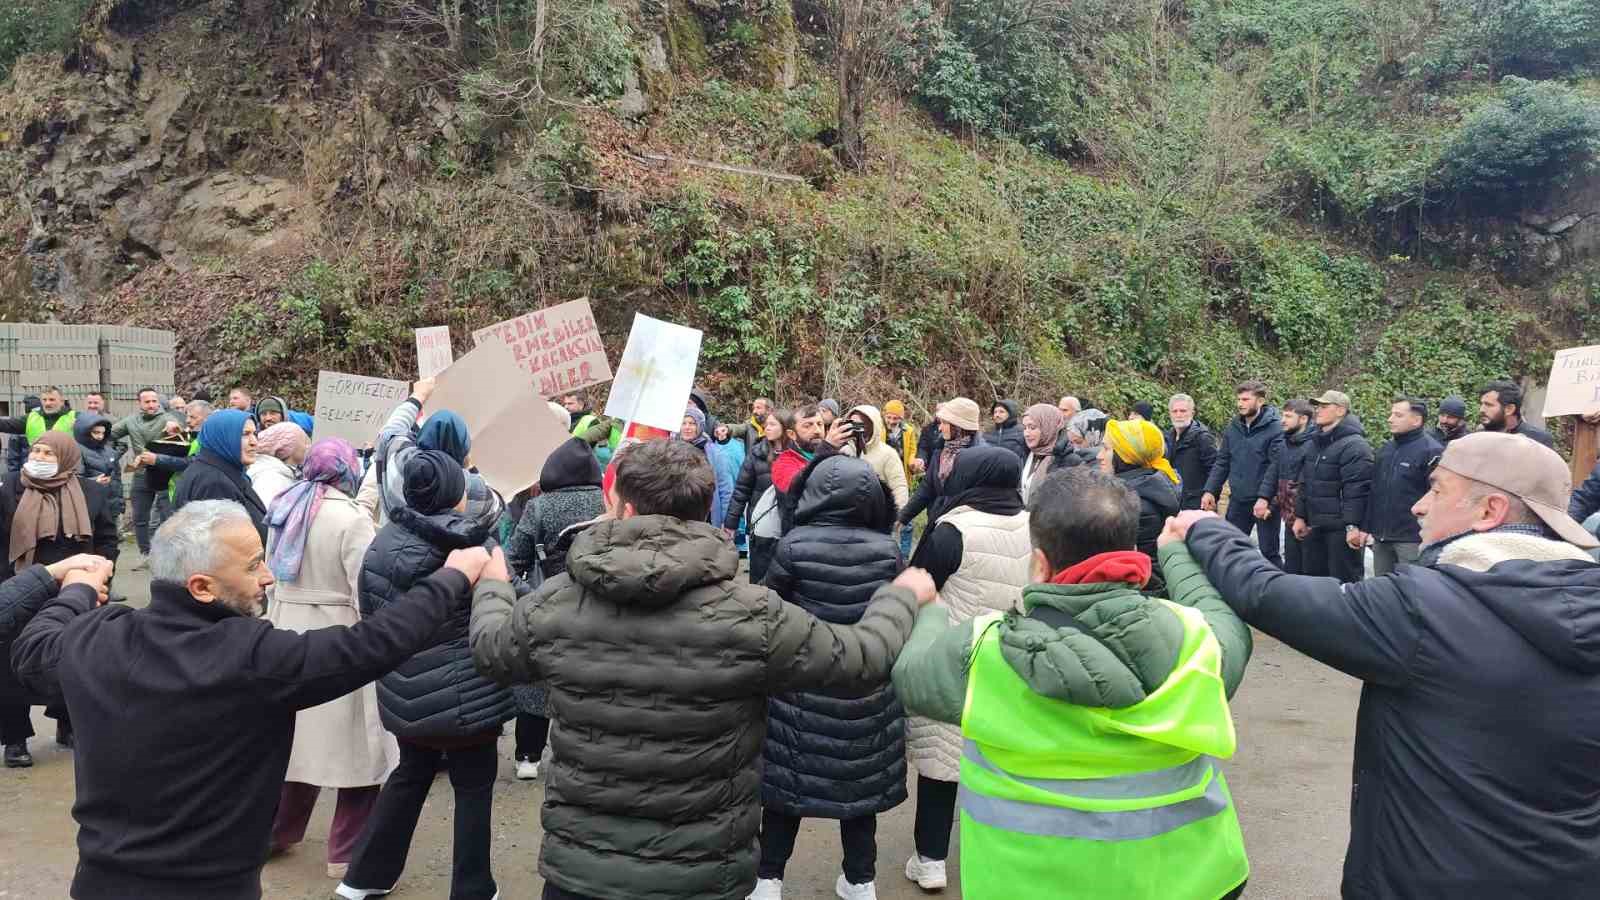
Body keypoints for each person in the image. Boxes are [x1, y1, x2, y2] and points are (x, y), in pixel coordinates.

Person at [467, 439, 935, 900]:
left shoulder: (555, 602)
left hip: (582, 871)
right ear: (706, 508)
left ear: (621, 506)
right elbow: (862, 658)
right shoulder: (754, 614)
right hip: (704, 872)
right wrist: (901, 595)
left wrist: (493, 588)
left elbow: (491, 651)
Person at [1173, 431, 1600, 898]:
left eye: (1437, 490)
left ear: (1489, 511)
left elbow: (1268, 595)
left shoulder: (1427, 609)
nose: (1419, 505)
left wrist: (1204, 528)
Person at [10, 499, 492, 899]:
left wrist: (74, 588)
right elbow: (372, 645)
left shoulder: (98, 638)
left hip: (100, 884)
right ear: (201, 587)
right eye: (251, 565)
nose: (267, 576)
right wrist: (453, 577)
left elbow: (34, 648)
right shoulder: (251, 659)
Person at [892, 467, 1252, 900]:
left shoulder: (983, 649)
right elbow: (1226, 623)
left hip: (1029, 885)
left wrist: (927, 606)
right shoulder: (1193, 638)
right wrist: (1175, 553)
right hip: (1191, 880)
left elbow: (911, 676)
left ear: (1040, 565)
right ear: (1132, 549)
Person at [336, 451, 514, 900]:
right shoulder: (476, 549)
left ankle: (364, 877)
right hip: (467, 695)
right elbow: (503, 612)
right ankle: (472, 887)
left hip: (404, 690)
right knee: (474, 788)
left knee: (409, 776)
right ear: (457, 495)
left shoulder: (381, 541)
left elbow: (372, 612)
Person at [752, 454, 907, 900]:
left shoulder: (794, 546)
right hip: (867, 686)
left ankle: (768, 880)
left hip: (800, 686)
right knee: (860, 795)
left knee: (784, 792)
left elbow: (767, 607)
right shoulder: (887, 551)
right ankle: (860, 881)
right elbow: (896, 611)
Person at [901, 445, 1032, 889]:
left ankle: (931, 860)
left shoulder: (952, 529)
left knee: (942, 762)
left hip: (954, 654)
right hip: (1012, 655)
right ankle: (999, 857)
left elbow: (918, 583)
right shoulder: (1034, 524)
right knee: (998, 762)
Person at [263, 439, 391, 880]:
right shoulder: (351, 517)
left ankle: (276, 832)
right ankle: (346, 851)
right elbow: (365, 585)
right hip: (339, 633)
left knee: (296, 742)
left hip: (285, 625)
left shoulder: (284, 507)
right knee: (356, 748)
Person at [0, 431, 118, 763]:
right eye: (35, 450)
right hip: (19, 588)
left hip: (76, 590)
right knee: (9, 666)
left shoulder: (91, 491)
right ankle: (15, 739)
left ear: (66, 457)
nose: (38, 457)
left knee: (73, 659)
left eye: (48, 453)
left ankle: (67, 724)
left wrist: (100, 573)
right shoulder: (10, 487)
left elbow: (107, 538)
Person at [504, 437, 606, 781]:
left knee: (537, 676)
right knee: (590, 678)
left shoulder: (541, 506)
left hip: (549, 597)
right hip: (600, 601)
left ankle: (528, 756)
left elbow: (514, 557)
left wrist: (525, 592)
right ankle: (584, 754)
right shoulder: (606, 500)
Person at [360, 379, 503, 529]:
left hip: (395, 547)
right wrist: (470, 468)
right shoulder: (469, 487)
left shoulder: (401, 461)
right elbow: (496, 505)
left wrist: (419, 395)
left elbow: (391, 431)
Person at [1291, 390, 1373, 584]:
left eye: (1324, 406)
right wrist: (1301, 516)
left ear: (1340, 411)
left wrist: (1352, 527)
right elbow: (1304, 482)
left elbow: (1358, 490)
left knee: (1344, 585)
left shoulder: (1355, 446)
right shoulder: (1315, 443)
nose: (1318, 410)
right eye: (1317, 406)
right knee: (1314, 584)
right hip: (1315, 526)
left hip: (1340, 531)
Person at [1202, 380, 1285, 568]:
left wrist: (1265, 498)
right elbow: (1223, 461)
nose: (1240, 403)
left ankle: (1277, 590)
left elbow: (1276, 466)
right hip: (1238, 499)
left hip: (1264, 502)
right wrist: (1210, 491)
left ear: (1261, 401)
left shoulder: (1275, 428)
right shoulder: (1234, 427)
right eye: (1239, 399)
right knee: (1230, 548)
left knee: (1269, 552)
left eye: (1246, 399)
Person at [1101, 419, 1182, 593]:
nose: (1099, 455)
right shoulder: (1145, 485)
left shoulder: (1138, 504)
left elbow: (1148, 567)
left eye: (1106, 449)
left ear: (1125, 455)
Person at [1363, 398, 1443, 575]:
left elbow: (1438, 495)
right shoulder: (1385, 450)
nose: (1390, 419)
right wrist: (1366, 528)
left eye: (1398, 415)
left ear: (1416, 420)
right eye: (1391, 414)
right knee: (1381, 589)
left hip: (1412, 539)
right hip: (1381, 538)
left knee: (1412, 590)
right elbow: (1374, 490)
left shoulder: (1431, 451)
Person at [173, 408, 268, 542]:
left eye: (255, 433)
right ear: (222, 437)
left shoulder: (219, 470)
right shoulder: (214, 484)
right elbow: (223, 550)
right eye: (245, 434)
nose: (254, 442)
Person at [112, 388, 183, 562]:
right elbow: (109, 434)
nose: (151, 405)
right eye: (147, 402)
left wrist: (175, 429)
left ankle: (169, 554)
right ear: (140, 403)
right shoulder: (130, 421)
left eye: (154, 401)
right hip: (141, 472)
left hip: (163, 473)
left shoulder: (167, 418)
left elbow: (178, 431)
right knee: (139, 517)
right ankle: (145, 554)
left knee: (169, 515)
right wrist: (112, 452)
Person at [898, 397, 984, 532]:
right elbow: (927, 488)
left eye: (944, 422)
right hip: (938, 520)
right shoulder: (941, 450)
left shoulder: (981, 457)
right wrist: (904, 516)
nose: (939, 427)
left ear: (958, 426)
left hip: (966, 530)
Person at [727, 409, 788, 583]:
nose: (766, 428)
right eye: (766, 424)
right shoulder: (756, 453)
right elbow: (741, 490)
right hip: (759, 524)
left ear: (785, 428)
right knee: (759, 573)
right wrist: (731, 523)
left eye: (772, 424)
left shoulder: (796, 455)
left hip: (787, 524)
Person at [1275, 399, 1318, 574]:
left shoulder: (1313, 445)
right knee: (1291, 568)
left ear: (1303, 419)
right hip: (1289, 517)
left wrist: (1302, 516)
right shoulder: (1285, 443)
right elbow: (1277, 476)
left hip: (1306, 519)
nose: (1282, 420)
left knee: (1308, 569)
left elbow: (1305, 485)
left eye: (1288, 416)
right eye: (1282, 415)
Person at [846, 405, 911, 515]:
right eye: (852, 423)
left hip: (877, 517)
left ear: (872, 425)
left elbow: (899, 487)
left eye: (860, 423)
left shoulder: (888, 454)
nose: (855, 427)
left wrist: (896, 517)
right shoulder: (844, 450)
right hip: (848, 517)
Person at [680, 405, 734, 531]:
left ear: (700, 426)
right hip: (676, 513)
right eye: (684, 423)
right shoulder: (670, 449)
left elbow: (725, 487)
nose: (687, 427)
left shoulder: (714, 452)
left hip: (704, 515)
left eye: (692, 423)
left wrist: (726, 520)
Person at [1166, 393, 1218, 510]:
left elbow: (1215, 469)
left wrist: (1211, 493)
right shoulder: (1168, 437)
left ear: (1192, 413)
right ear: (1170, 414)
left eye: (1183, 411)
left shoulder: (1203, 438)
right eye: (1175, 411)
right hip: (1174, 500)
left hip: (1197, 503)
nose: (1179, 415)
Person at [882, 400, 920, 556]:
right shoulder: (879, 429)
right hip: (884, 478)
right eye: (889, 417)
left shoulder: (908, 431)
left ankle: (904, 554)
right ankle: (886, 551)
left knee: (906, 517)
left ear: (901, 418)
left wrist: (913, 463)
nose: (891, 421)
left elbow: (912, 450)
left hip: (903, 478)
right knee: (885, 516)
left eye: (895, 418)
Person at [1019, 402, 1072, 503]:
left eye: (1032, 427)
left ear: (1048, 427)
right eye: (1024, 428)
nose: (1026, 433)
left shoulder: (1065, 459)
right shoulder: (1026, 453)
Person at [249, 422, 309, 510]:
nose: (307, 447)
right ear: (287, 448)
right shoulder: (270, 480)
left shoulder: (281, 472)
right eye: (304, 441)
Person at [1479, 380, 1554, 448]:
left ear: (1509, 409)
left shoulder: (1539, 439)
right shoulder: (1479, 437)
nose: (1481, 410)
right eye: (1481, 404)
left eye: (1488, 405)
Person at [712, 422, 748, 541]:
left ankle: (741, 541)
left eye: (722, 431)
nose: (720, 434)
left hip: (739, 481)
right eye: (717, 432)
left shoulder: (738, 446)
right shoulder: (713, 448)